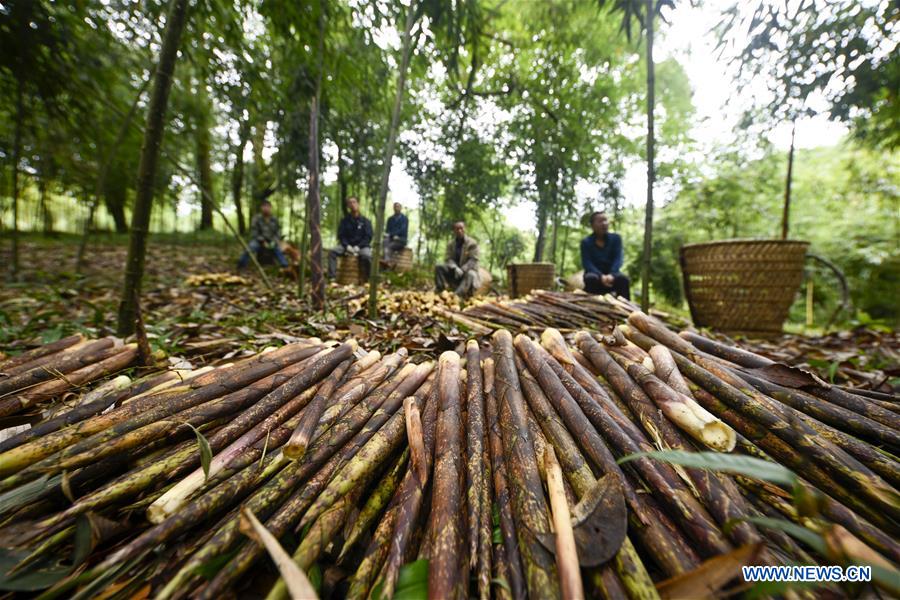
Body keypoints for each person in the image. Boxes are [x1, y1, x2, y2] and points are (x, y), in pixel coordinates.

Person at [580, 211, 630, 299]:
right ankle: (592, 305)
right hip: (595, 275)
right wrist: (601, 276)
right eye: (600, 221)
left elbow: (618, 259)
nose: (604, 223)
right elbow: (587, 263)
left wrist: (611, 274)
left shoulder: (616, 239)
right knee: (590, 278)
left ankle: (625, 308)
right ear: (592, 225)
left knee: (623, 279)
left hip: (612, 274)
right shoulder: (586, 242)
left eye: (605, 220)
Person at [328, 196, 373, 279]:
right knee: (332, 252)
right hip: (346, 246)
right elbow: (341, 235)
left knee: (368, 256)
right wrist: (347, 246)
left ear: (358, 204)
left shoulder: (366, 221)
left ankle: (368, 279)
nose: (352, 204)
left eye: (354, 202)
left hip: (361, 247)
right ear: (348, 206)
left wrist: (359, 247)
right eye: (350, 203)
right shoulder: (344, 221)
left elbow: (368, 237)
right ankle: (332, 277)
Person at [435, 221, 481, 298]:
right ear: (454, 231)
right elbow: (448, 258)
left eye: (461, 228)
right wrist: (455, 268)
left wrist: (463, 269)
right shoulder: (451, 244)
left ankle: (457, 295)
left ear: (465, 229)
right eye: (457, 229)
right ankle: (442, 291)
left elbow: (473, 260)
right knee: (439, 267)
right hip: (454, 272)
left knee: (471, 274)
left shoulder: (472, 243)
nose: (459, 231)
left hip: (467, 272)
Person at [238, 199, 289, 269]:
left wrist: (274, 241)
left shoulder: (274, 219)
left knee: (278, 250)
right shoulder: (256, 218)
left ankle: (285, 266)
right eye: (264, 206)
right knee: (250, 248)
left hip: (272, 241)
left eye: (268, 206)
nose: (266, 208)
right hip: (258, 240)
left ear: (270, 207)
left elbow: (278, 232)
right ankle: (241, 266)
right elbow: (254, 232)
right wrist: (262, 241)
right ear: (261, 208)